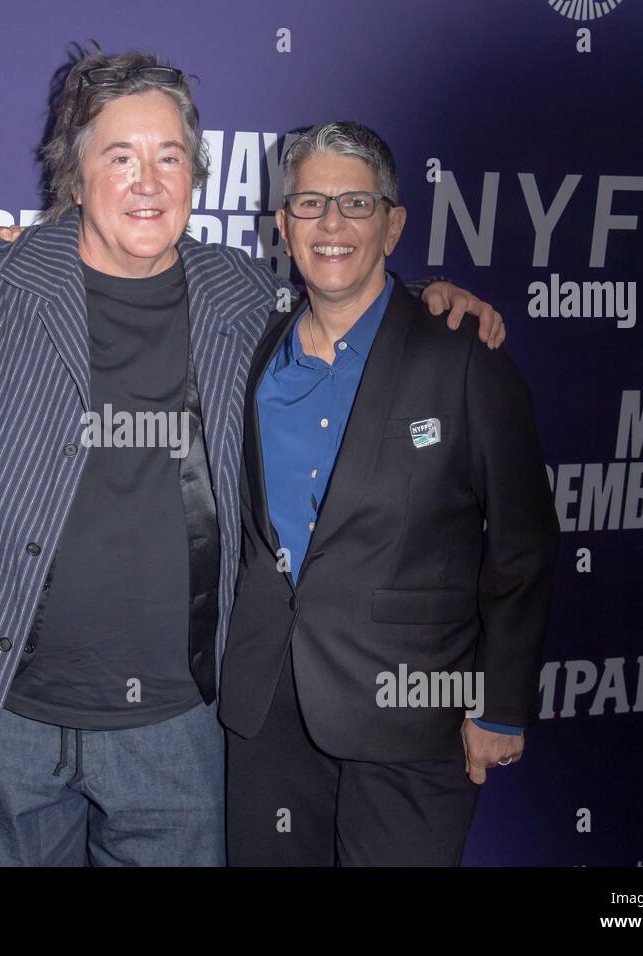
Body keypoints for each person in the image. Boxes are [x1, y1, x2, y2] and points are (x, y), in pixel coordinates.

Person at [0, 49, 505, 867]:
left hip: (180, 729)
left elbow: (351, 297)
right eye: (119, 156)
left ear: (196, 175)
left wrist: (431, 298)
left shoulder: (247, 295)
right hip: (7, 726)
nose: (147, 181)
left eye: (169, 157)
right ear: (74, 177)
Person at [220, 121, 559, 866]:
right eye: (310, 205)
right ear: (283, 226)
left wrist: (500, 705)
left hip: (413, 716)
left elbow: (523, 544)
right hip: (267, 709)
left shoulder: (463, 354)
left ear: (393, 223)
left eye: (356, 204)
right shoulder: (253, 346)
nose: (332, 224)